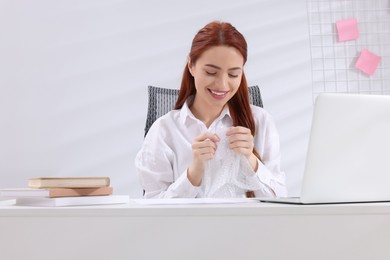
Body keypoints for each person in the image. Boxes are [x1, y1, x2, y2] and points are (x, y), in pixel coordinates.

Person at [135, 21, 287, 198]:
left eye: (233, 74)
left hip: (248, 225)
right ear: (191, 65)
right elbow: (153, 212)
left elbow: (280, 201)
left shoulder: (260, 122)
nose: (222, 84)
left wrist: (251, 160)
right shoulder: (164, 131)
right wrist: (194, 173)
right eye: (211, 72)